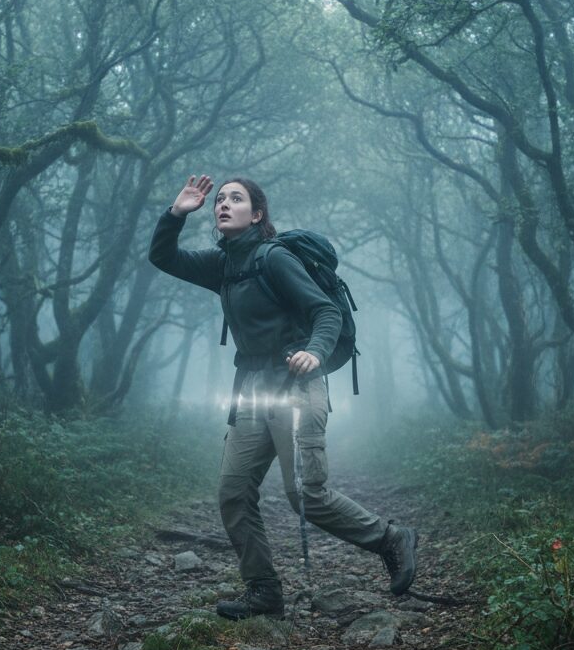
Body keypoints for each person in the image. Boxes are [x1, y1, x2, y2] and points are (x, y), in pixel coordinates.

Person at [149, 174, 418, 620]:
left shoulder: (273, 259)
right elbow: (164, 257)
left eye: (236, 199)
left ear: (256, 214)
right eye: (219, 199)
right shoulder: (222, 264)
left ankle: (390, 538)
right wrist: (176, 212)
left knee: (305, 494)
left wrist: (315, 352)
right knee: (233, 493)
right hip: (252, 390)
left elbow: (325, 311)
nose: (223, 204)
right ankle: (263, 591)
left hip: (296, 386)